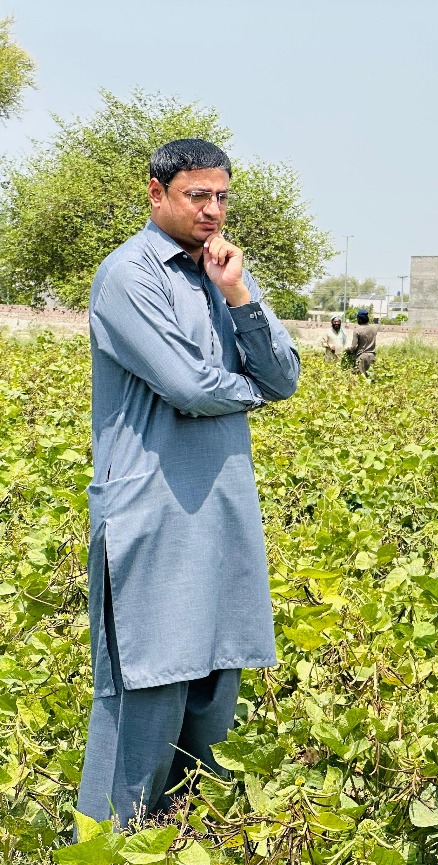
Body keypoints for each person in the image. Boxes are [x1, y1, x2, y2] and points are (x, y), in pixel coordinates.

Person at [78, 138, 300, 828]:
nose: (212, 210)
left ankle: (187, 857)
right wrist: (252, 390)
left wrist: (238, 292)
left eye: (221, 196)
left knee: (213, 690)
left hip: (222, 509)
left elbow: (284, 373)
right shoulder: (128, 275)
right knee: (146, 692)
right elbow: (185, 386)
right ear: (156, 193)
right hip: (151, 513)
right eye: (196, 196)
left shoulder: (224, 272)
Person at [347, 308, 377, 376]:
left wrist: (348, 350)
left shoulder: (357, 330)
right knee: (370, 377)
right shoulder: (374, 329)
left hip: (362, 357)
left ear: (360, 319)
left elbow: (354, 347)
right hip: (372, 356)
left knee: (360, 378)